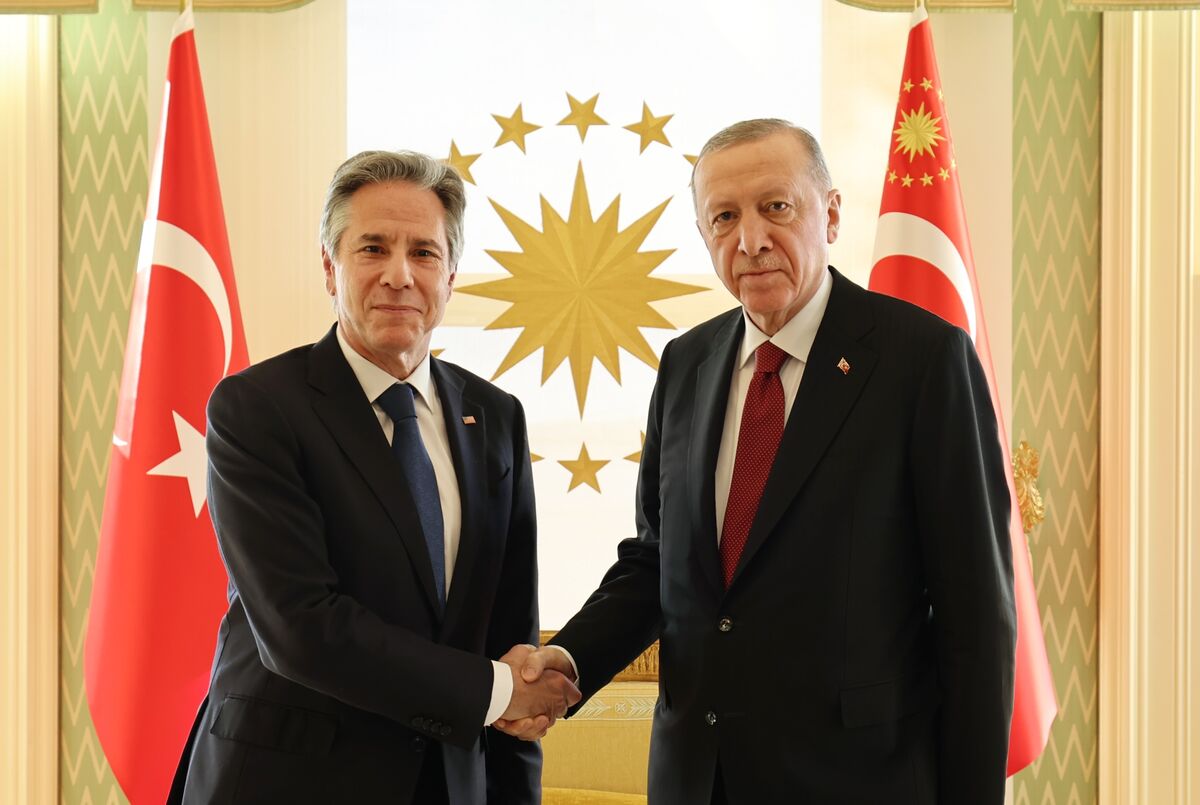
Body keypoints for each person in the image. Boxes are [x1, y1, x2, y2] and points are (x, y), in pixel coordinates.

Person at [499, 119, 1016, 804]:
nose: (750, 240)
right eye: (723, 216)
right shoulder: (687, 362)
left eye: (776, 206)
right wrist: (566, 661)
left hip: (860, 781)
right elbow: (658, 560)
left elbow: (976, 619)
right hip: (696, 779)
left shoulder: (923, 361)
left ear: (829, 213)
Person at [171, 150, 579, 805]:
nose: (400, 274)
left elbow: (510, 632)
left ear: (450, 275)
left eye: (424, 252)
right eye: (373, 248)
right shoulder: (257, 408)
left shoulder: (496, 417)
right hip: (285, 784)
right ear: (330, 267)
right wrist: (497, 689)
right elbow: (303, 628)